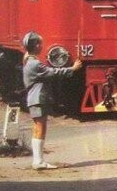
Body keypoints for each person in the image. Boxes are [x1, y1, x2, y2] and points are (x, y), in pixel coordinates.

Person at [22, 31, 83, 170]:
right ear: (36, 45)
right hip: (38, 98)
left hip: (35, 97)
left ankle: (38, 160)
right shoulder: (35, 64)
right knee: (40, 128)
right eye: (40, 43)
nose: (41, 46)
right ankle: (38, 161)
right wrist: (72, 68)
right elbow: (53, 72)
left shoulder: (28, 60)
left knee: (38, 128)